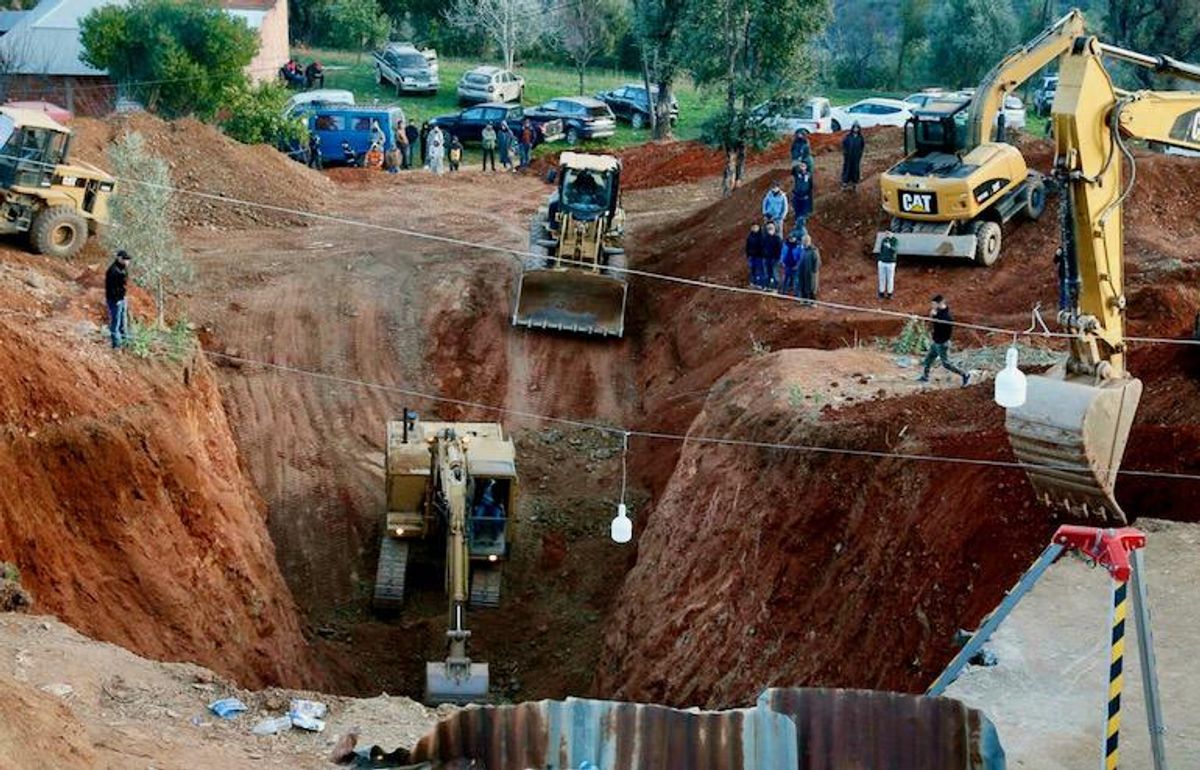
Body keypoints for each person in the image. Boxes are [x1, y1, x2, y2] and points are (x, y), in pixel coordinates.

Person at [918, 295, 970, 386]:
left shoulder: (946, 317)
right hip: (936, 342)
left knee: (946, 364)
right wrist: (933, 317)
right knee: (928, 359)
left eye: (934, 304)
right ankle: (925, 376)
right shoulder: (939, 313)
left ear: (940, 304)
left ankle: (965, 374)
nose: (932, 306)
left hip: (942, 343)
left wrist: (934, 317)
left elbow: (943, 330)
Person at [104, 250, 130, 349]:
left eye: (128, 260)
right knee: (116, 321)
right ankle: (117, 345)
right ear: (119, 258)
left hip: (122, 298)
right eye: (125, 259)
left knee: (123, 320)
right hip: (115, 300)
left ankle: (125, 341)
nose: (127, 262)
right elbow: (112, 288)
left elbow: (123, 285)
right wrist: (117, 300)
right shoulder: (113, 271)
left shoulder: (122, 269)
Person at [791, 161, 814, 235]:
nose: (802, 167)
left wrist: (808, 194)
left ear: (806, 167)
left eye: (804, 166)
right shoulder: (797, 174)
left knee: (803, 212)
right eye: (801, 166)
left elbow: (811, 186)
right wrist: (796, 163)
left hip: (805, 196)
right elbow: (793, 171)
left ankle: (801, 226)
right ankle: (796, 224)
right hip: (797, 195)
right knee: (797, 210)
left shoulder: (809, 175)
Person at [841, 122, 866, 190]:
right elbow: (844, 145)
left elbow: (862, 147)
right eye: (854, 128)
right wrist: (845, 153)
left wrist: (859, 154)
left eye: (857, 128)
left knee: (855, 169)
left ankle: (854, 183)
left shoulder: (860, 138)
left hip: (856, 157)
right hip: (848, 157)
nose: (856, 129)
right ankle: (845, 182)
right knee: (847, 168)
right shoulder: (848, 136)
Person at [761, 221, 783, 290]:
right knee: (767, 274)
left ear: (774, 228)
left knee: (775, 274)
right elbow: (762, 247)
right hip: (766, 258)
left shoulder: (777, 238)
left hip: (775, 259)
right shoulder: (764, 238)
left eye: (771, 228)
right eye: (768, 228)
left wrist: (778, 258)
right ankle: (767, 286)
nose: (770, 229)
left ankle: (776, 288)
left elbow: (780, 250)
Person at [799, 232, 820, 302]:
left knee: (811, 287)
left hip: (810, 273)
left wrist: (814, 271)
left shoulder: (813, 251)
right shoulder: (803, 251)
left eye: (805, 242)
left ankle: (812, 301)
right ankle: (804, 300)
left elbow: (817, 262)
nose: (804, 243)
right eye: (803, 242)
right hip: (802, 272)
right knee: (803, 285)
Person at [877, 230, 898, 299]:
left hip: (891, 263)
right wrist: (880, 259)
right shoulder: (884, 240)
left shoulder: (895, 241)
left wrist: (890, 247)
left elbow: (895, 250)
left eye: (888, 233)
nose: (887, 234)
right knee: (882, 278)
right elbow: (881, 250)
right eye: (886, 233)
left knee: (890, 278)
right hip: (882, 262)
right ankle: (881, 292)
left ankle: (890, 293)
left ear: (892, 234)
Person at [744, 222, 765, 288]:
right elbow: (747, 246)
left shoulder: (762, 236)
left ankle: (760, 284)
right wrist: (748, 254)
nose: (754, 229)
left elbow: (763, 247)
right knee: (752, 269)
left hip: (759, 256)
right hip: (752, 256)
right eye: (753, 227)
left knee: (760, 270)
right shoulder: (750, 236)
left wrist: (762, 254)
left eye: (756, 227)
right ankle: (753, 283)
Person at [1053, 246, 1073, 312]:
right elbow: (1055, 260)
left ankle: (1066, 308)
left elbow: (1055, 260)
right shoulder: (1062, 249)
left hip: (1068, 274)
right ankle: (1064, 308)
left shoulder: (1064, 249)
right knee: (1065, 291)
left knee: (1066, 291)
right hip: (1066, 274)